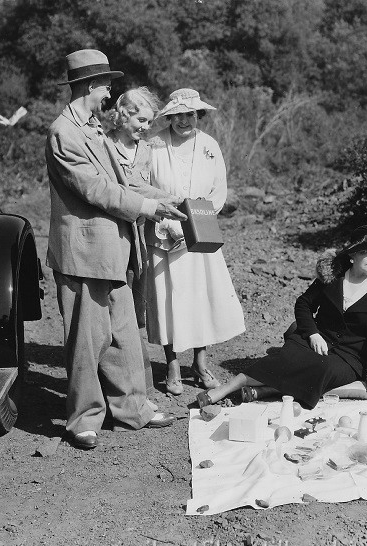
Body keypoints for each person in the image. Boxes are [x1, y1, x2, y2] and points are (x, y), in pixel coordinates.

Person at [46, 49, 187, 450]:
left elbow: (124, 182)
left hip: (116, 250)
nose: (110, 91)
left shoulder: (91, 127)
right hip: (84, 251)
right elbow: (95, 189)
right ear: (91, 86)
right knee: (87, 340)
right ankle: (83, 419)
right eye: (106, 84)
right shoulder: (65, 133)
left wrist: (169, 199)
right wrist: (148, 207)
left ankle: (133, 409)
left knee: (124, 336)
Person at [196, 226, 367, 409]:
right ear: (352, 255)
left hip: (349, 357)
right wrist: (313, 334)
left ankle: (267, 390)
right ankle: (230, 386)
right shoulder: (333, 276)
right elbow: (304, 304)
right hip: (316, 339)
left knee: (322, 369)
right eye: (366, 252)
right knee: (286, 359)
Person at [144, 88, 245, 395]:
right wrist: (168, 222)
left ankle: (200, 362)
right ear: (170, 116)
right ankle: (172, 363)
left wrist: (194, 222)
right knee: (168, 298)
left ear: (197, 115)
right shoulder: (154, 145)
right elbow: (144, 188)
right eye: (178, 115)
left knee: (200, 297)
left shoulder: (209, 146)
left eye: (190, 114)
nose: (184, 121)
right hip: (163, 231)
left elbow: (218, 191)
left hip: (199, 233)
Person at [104, 87, 172, 328]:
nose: (145, 126)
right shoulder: (105, 145)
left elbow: (144, 184)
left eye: (149, 122)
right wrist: (166, 200)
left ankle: (131, 345)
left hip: (139, 233)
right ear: (123, 115)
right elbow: (123, 189)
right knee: (113, 290)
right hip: (112, 231)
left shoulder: (145, 150)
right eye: (140, 119)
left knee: (136, 287)